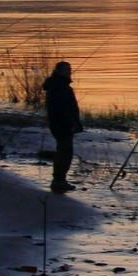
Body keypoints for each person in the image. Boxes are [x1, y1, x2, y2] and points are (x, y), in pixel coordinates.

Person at [42, 61, 83, 192]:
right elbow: (61, 109)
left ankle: (60, 179)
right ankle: (59, 180)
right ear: (59, 71)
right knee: (65, 153)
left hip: (60, 123)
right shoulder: (60, 87)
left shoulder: (58, 86)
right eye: (66, 70)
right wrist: (70, 123)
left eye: (70, 69)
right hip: (62, 124)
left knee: (63, 151)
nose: (69, 72)